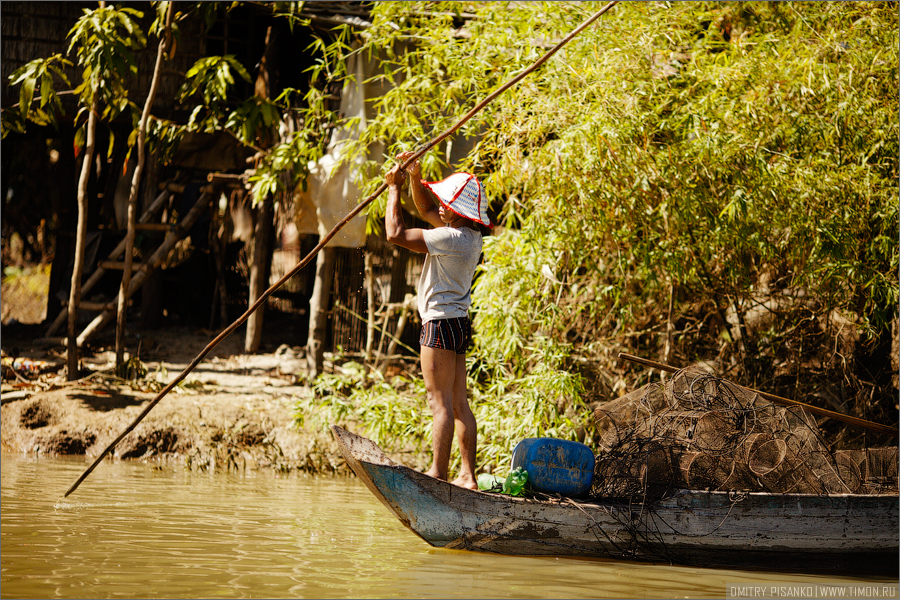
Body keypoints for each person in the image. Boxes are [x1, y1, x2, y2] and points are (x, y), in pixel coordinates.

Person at [384, 151, 491, 490]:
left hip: (440, 323)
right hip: (458, 321)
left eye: (447, 204)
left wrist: (393, 189)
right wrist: (416, 179)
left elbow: (395, 234)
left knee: (439, 403)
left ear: (460, 214)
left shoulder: (448, 238)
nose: (440, 206)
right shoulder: (470, 237)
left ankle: (438, 474)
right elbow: (427, 210)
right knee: (459, 401)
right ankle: (468, 476)